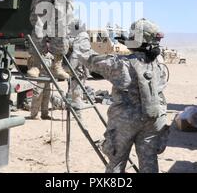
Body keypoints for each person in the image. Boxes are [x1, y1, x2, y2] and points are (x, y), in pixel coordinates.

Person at [71, 19, 170, 173]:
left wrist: (81, 34)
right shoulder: (159, 63)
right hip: (153, 119)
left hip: (125, 122)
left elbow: (88, 57)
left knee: (116, 163)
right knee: (149, 163)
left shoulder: (122, 64)